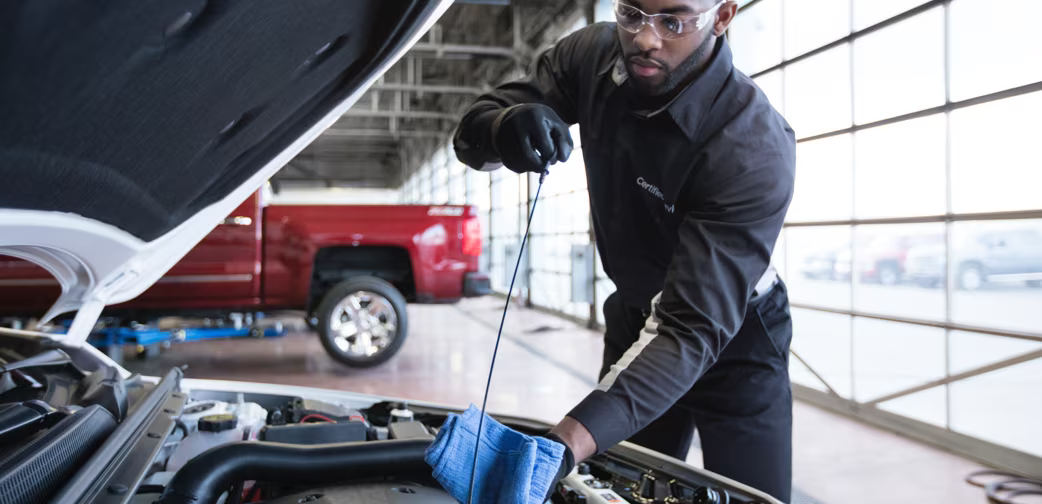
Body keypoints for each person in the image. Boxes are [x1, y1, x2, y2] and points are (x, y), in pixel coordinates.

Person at [452, 0, 796, 501]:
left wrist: (561, 446)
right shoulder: (591, 55)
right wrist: (502, 126)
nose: (645, 38)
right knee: (620, 488)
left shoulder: (751, 146)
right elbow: (471, 132)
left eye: (673, 22)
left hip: (736, 338)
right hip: (637, 313)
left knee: (751, 496)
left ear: (722, 16)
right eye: (632, 13)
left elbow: (688, 327)